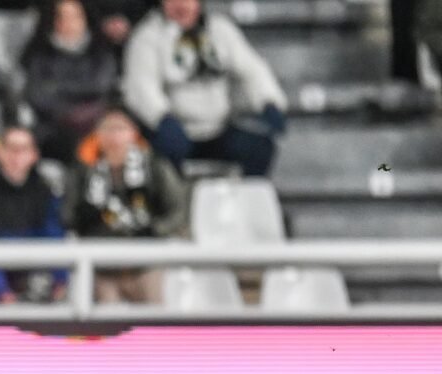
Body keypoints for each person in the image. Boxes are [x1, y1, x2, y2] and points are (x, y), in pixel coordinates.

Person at [122, 0, 288, 176]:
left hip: (218, 129)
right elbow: (141, 85)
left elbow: (253, 70)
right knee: (161, 153)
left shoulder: (220, 29)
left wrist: (269, 101)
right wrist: (161, 118)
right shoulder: (147, 36)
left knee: (259, 147)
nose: (181, 5)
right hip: (173, 130)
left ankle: (245, 193)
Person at [68, 107, 188, 303]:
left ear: (134, 132)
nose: (114, 136)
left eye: (120, 128)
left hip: (146, 262)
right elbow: (68, 214)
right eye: (108, 128)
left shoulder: (153, 166)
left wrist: (155, 230)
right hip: (102, 264)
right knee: (107, 318)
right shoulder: (84, 171)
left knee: (155, 317)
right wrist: (85, 219)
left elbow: (177, 209)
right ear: (97, 134)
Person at [0, 125, 67, 303]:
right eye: (11, 148)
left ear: (34, 155)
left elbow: (54, 238)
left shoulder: (44, 192)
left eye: (24, 149)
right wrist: (0, 292)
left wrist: (59, 281)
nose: (17, 155)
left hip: (35, 281)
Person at [21, 0, 120, 160]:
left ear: (85, 18)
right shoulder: (39, 54)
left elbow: (101, 85)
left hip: (96, 124)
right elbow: (37, 96)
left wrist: (57, 88)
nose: (68, 23)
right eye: (61, 17)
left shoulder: (101, 49)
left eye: (75, 16)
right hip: (54, 130)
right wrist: (72, 108)